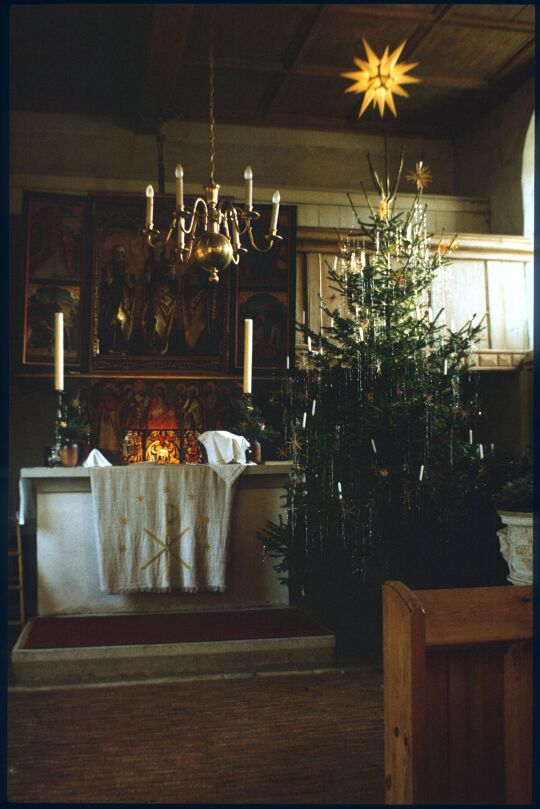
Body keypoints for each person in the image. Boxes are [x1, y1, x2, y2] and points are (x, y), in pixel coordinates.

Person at [142, 240, 178, 354]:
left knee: (164, 321)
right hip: (154, 294)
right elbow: (147, 282)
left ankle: (162, 344)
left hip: (165, 296)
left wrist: (172, 275)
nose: (158, 251)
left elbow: (173, 282)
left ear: (163, 250)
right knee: (153, 317)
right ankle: (151, 343)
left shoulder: (167, 263)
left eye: (160, 248)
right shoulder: (149, 263)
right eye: (156, 248)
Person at [98, 244, 135, 354]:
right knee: (110, 322)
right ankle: (109, 346)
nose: (120, 256)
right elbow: (106, 284)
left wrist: (128, 281)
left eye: (122, 254)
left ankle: (123, 346)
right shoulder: (109, 267)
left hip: (123, 298)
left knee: (124, 322)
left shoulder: (127, 268)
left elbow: (132, 286)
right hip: (111, 298)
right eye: (117, 254)